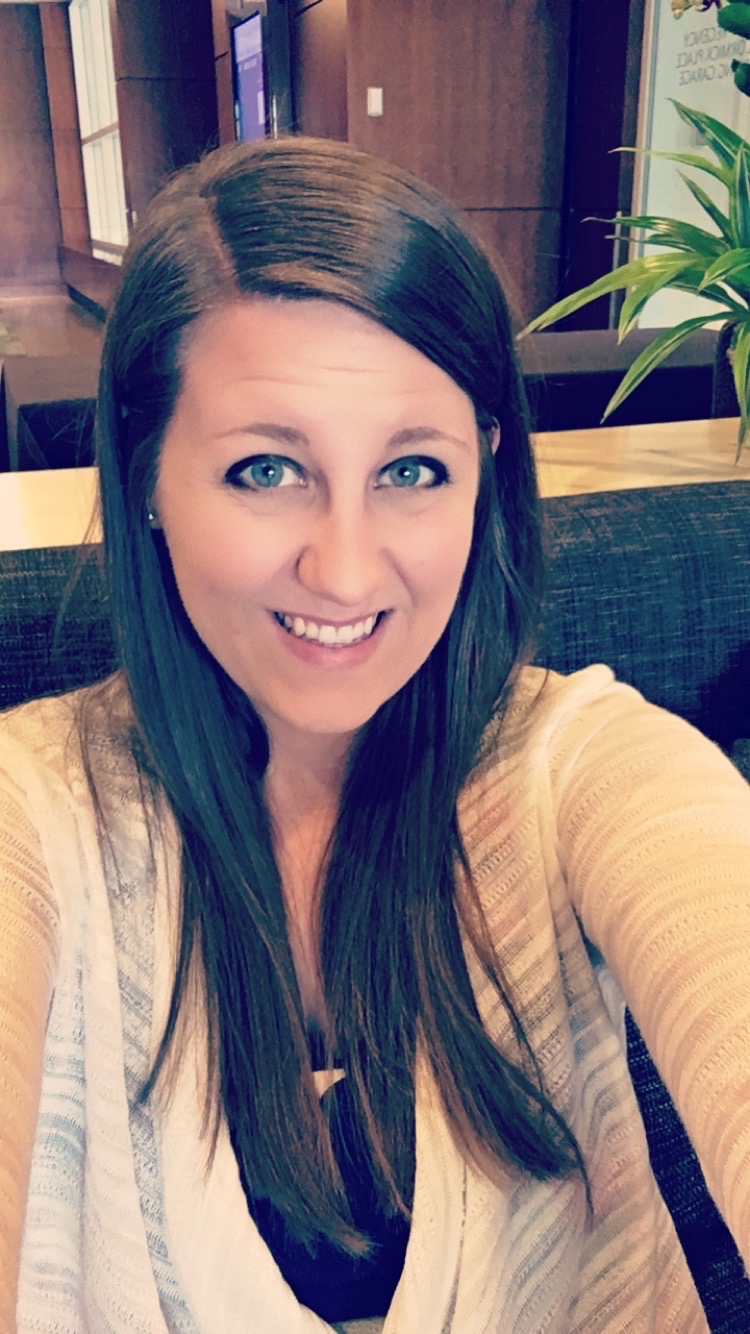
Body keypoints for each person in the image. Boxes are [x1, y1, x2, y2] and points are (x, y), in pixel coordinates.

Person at [0, 136, 748, 1334]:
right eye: (265, 469)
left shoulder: (582, 766)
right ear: (143, 475)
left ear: (485, 470)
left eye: (411, 469)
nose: (346, 570)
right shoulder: (33, 809)